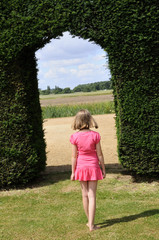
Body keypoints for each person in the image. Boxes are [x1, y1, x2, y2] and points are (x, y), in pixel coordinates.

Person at [70, 109, 106, 231]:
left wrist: (73, 172)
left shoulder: (74, 137)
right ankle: (91, 224)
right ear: (89, 119)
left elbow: (74, 156)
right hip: (93, 166)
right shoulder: (95, 135)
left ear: (78, 121)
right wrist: (103, 169)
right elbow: (100, 154)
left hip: (81, 167)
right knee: (92, 195)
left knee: (84, 195)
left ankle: (89, 222)